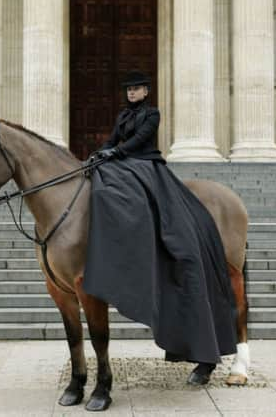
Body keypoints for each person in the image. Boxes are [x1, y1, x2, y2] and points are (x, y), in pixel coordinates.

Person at [83, 70, 237, 380]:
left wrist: (117, 151)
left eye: (137, 89)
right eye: (128, 89)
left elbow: (139, 141)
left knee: (140, 194)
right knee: (99, 181)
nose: (131, 93)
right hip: (123, 162)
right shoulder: (124, 115)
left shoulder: (152, 114)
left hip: (147, 164)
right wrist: (103, 151)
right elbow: (114, 139)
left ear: (146, 92)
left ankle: (157, 228)